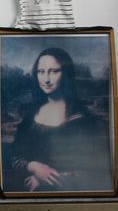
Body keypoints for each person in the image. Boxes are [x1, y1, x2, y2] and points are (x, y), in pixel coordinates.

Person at [9, 47, 112, 193]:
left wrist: (46, 178)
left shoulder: (84, 121)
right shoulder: (30, 118)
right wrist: (34, 166)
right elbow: (13, 158)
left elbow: (94, 170)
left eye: (54, 71)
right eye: (41, 72)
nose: (46, 79)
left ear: (66, 74)